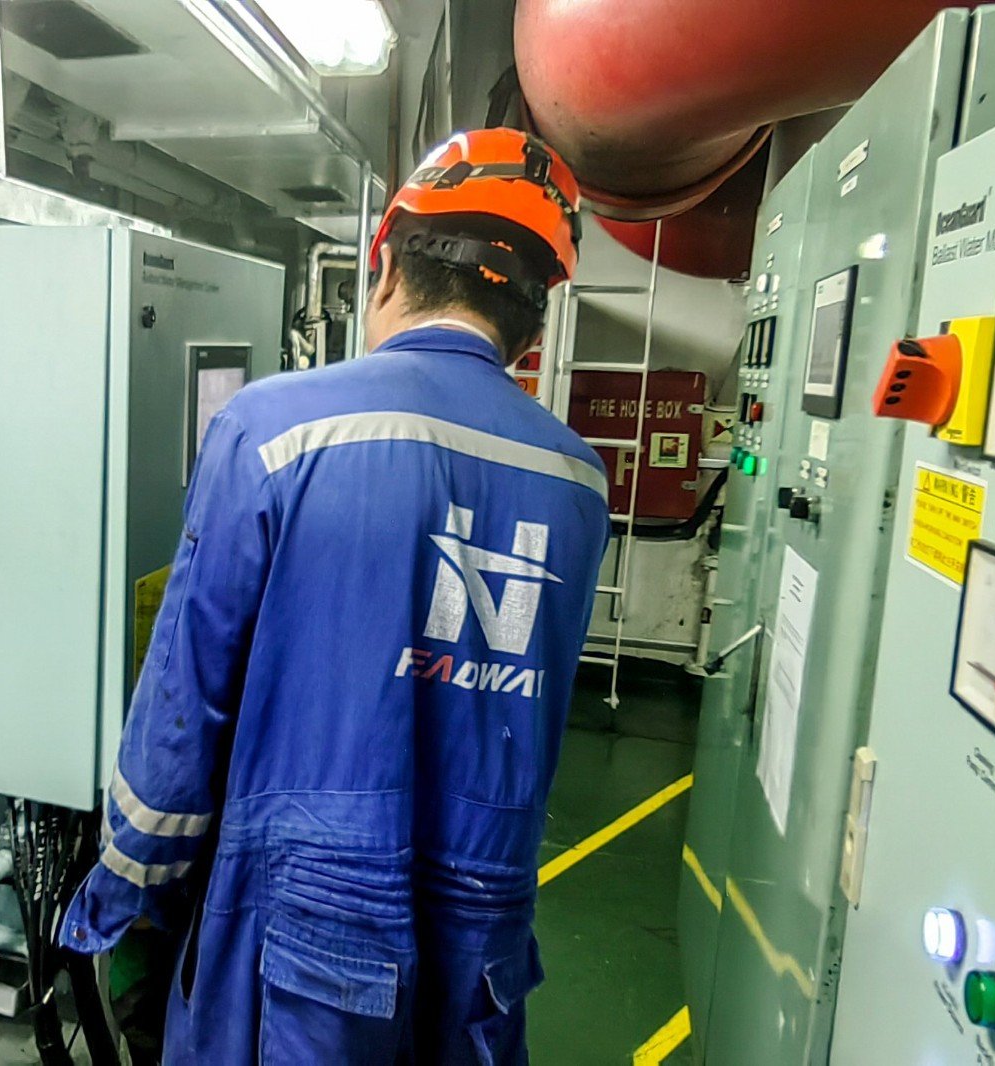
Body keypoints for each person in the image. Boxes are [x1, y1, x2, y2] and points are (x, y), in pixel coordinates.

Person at [60, 128, 613, 1065]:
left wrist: (123, 883)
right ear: (534, 325)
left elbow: (185, 703)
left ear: (385, 265)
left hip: (302, 925)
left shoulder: (274, 428)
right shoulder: (579, 481)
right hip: (484, 926)